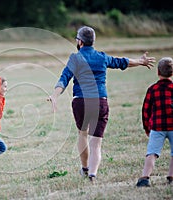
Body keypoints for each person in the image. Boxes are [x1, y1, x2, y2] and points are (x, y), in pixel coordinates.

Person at [48, 26, 155, 182]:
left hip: (81, 101)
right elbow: (122, 62)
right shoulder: (102, 57)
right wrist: (140, 61)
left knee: (82, 134)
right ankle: (93, 174)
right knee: (96, 143)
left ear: (80, 42)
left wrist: (55, 95)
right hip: (100, 101)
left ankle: (85, 169)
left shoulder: (75, 58)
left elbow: (64, 78)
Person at [136, 57, 173, 187]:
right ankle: (171, 176)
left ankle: (145, 177)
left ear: (158, 72)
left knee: (152, 153)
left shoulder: (152, 89)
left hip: (157, 127)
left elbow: (146, 111)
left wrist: (147, 128)